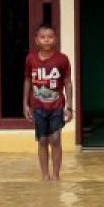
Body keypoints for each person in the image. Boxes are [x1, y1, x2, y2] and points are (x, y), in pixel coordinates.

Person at [23, 24, 72, 181]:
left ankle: (56, 176)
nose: (46, 40)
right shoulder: (31, 58)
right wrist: (25, 104)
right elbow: (28, 81)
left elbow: (67, 82)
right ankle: (45, 176)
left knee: (56, 138)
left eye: (50, 37)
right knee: (43, 140)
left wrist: (69, 107)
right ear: (36, 40)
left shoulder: (62, 59)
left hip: (57, 106)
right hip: (38, 106)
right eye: (43, 37)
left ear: (55, 39)